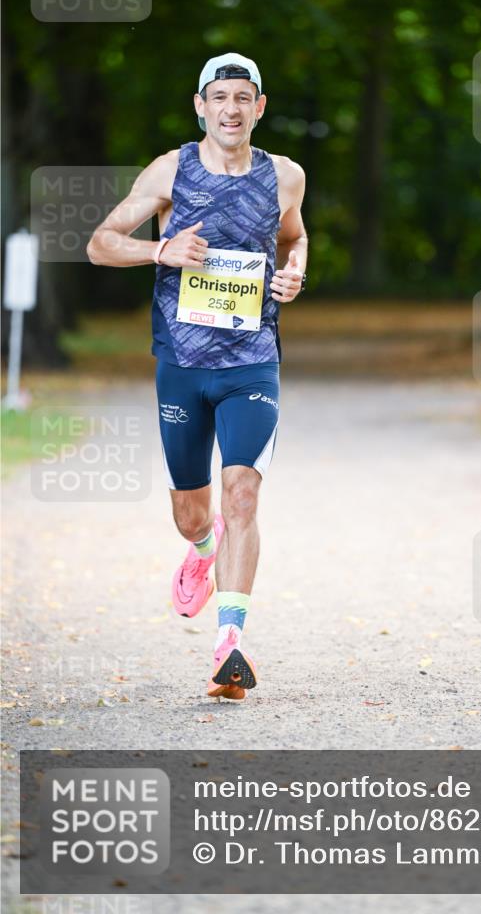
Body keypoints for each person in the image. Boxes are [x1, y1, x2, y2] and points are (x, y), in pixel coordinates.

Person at [87, 53, 308, 699]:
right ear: (200, 105)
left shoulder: (285, 175)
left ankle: (229, 644)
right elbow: (100, 242)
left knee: (241, 492)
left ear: (259, 107)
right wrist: (159, 248)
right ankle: (202, 548)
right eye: (220, 97)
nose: (231, 109)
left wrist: (293, 271)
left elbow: (294, 237)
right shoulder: (170, 169)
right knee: (192, 514)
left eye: (243, 97)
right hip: (182, 367)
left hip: (251, 362)